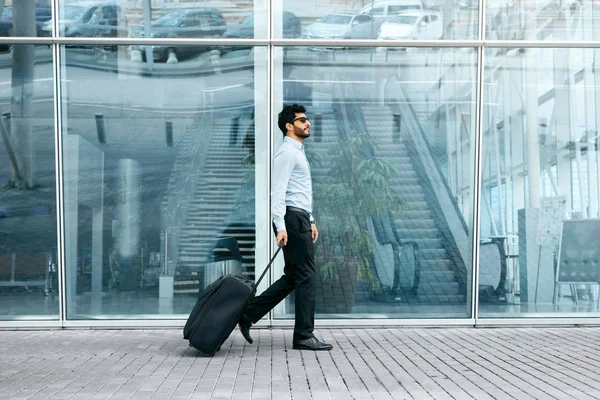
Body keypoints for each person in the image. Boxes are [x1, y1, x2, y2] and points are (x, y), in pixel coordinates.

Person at [238, 104, 333, 351]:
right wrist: (281, 226)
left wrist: (310, 219)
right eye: (302, 120)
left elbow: (299, 192)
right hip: (290, 219)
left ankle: (248, 314)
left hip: (299, 218)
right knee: (307, 277)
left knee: (293, 276)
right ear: (289, 126)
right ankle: (303, 335)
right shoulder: (287, 153)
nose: (307, 123)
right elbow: (278, 192)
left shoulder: (297, 152)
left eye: (306, 119)